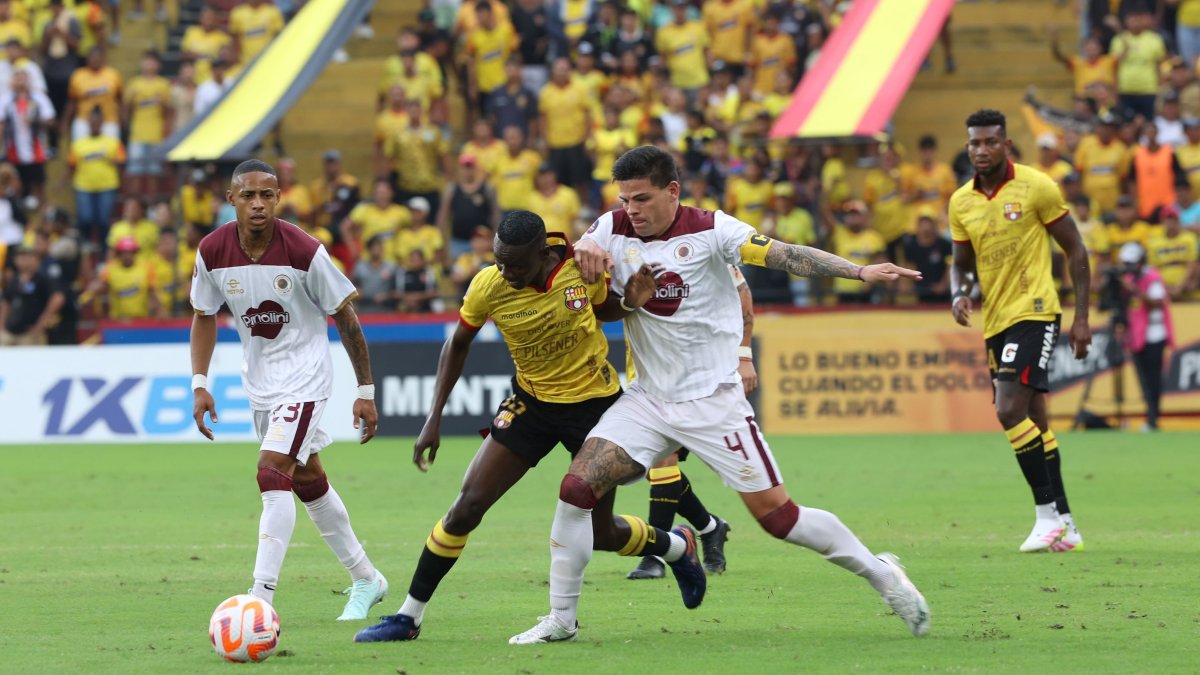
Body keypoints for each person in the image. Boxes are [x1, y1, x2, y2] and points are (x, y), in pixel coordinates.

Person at [509, 146, 929, 645]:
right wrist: (589, 258)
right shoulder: (611, 227)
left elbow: (784, 255)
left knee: (780, 519)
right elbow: (589, 281)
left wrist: (858, 272)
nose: (632, 210)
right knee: (576, 490)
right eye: (625, 200)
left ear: (673, 191)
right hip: (646, 401)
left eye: (642, 198)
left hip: (713, 402)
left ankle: (883, 574)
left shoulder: (714, 229)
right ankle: (562, 619)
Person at [354, 211, 705, 643]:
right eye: (499, 261)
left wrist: (631, 300)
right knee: (467, 506)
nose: (505, 272)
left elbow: (605, 310)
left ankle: (675, 546)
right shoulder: (489, 284)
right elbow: (457, 343)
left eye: (515, 264)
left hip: (594, 409)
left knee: (601, 533)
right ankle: (408, 617)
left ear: (543, 254)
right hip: (532, 404)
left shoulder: (581, 268)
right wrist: (434, 417)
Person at [189, 159, 388, 621]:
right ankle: (367, 578)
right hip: (260, 382)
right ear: (231, 200)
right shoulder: (212, 250)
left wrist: (366, 390)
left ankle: (260, 600)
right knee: (306, 479)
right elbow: (203, 315)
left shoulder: (304, 249)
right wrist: (200, 383)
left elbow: (346, 316)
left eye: (267, 195)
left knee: (270, 471)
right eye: (248, 195)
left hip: (306, 378)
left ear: (278, 198)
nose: (258, 204)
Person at [948, 109, 1091, 553]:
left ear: (1006, 144)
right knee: (1037, 420)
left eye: (990, 141)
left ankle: (1045, 516)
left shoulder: (1037, 186)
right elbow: (961, 264)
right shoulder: (961, 202)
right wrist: (960, 293)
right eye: (975, 142)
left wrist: (1082, 316)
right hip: (996, 321)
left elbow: (1076, 249)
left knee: (1009, 411)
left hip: (1036, 311)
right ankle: (1067, 524)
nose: (982, 149)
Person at [627, 265, 754, 580]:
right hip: (642, 372)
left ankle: (654, 555)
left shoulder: (701, 244)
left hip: (690, 374)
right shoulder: (624, 246)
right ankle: (711, 527)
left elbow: (743, 295)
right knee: (655, 470)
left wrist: (745, 355)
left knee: (662, 465)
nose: (634, 213)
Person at [1118, 242, 1174, 432]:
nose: (1129, 267)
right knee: (1143, 378)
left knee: (1153, 378)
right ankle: (1150, 416)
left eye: (1132, 263)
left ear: (1141, 261)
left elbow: (1157, 303)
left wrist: (1134, 289)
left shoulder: (1152, 277)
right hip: (1137, 334)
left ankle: (1153, 418)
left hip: (1155, 334)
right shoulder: (1128, 278)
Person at [67, 105, 124, 256]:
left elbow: (121, 162)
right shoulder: (78, 144)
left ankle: (104, 250)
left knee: (104, 220)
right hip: (83, 185)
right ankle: (86, 245)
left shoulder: (113, 142)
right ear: (88, 123)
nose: (94, 124)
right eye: (92, 121)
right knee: (85, 218)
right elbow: (71, 166)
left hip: (107, 185)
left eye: (97, 121)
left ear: (102, 122)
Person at [122, 50, 171, 197]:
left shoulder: (163, 84)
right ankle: (135, 202)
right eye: (147, 61)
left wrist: (161, 105)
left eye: (153, 61)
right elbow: (125, 110)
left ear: (158, 65)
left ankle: (151, 207)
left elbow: (169, 112)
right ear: (142, 63)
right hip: (137, 134)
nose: (149, 64)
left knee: (153, 174)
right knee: (135, 172)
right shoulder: (134, 84)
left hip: (156, 135)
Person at [0, 243, 64, 345]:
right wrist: (2, 326)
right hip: (11, 332)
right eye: (19, 256)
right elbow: (5, 301)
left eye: (26, 256)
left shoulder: (43, 276)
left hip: (31, 333)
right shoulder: (14, 279)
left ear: (35, 258)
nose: (22, 259)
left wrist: (40, 325)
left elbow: (57, 298)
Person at [437, 153, 498, 260]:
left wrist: (496, 238)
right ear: (460, 169)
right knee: (460, 273)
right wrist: (441, 240)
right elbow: (443, 215)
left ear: (476, 168)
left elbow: (495, 214)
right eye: (465, 167)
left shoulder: (487, 188)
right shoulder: (452, 189)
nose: (467, 171)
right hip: (459, 241)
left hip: (482, 242)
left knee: (482, 274)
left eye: (470, 167)